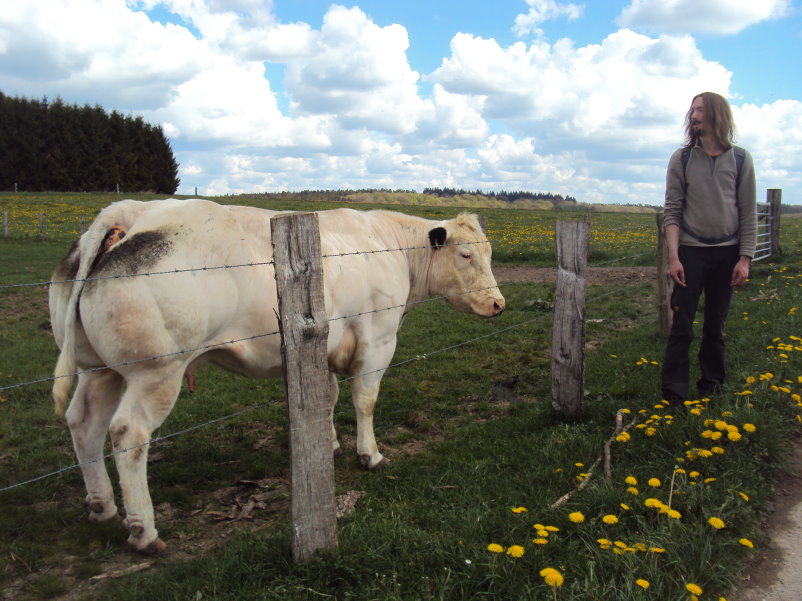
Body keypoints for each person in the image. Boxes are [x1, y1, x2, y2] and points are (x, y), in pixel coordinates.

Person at [661, 91, 757, 405]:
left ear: (717, 114)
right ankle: (674, 394)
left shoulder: (741, 159)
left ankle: (711, 387)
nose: (693, 116)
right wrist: (674, 257)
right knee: (682, 327)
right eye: (691, 110)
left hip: (727, 253)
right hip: (690, 253)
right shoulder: (682, 158)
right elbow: (672, 211)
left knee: (716, 324)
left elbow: (747, 212)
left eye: (699, 110)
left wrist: (745, 258)